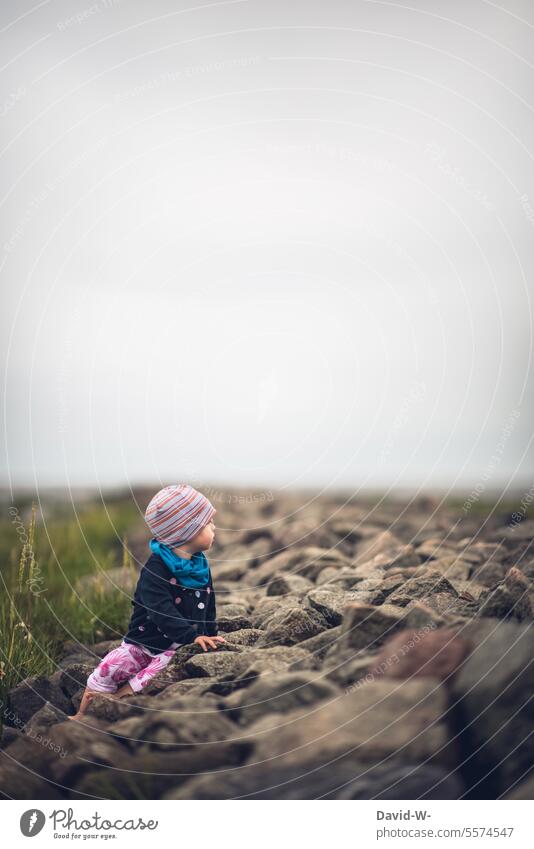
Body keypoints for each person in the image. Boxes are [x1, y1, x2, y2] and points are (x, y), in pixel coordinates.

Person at [70, 484, 225, 720]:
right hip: (143, 641)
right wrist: (190, 636)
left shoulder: (199, 566)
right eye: (208, 523)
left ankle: (122, 697)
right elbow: (159, 609)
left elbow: (208, 603)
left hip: (176, 647)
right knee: (111, 665)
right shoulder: (156, 569)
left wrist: (208, 634)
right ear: (187, 531)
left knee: (160, 671)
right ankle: (83, 714)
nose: (214, 526)